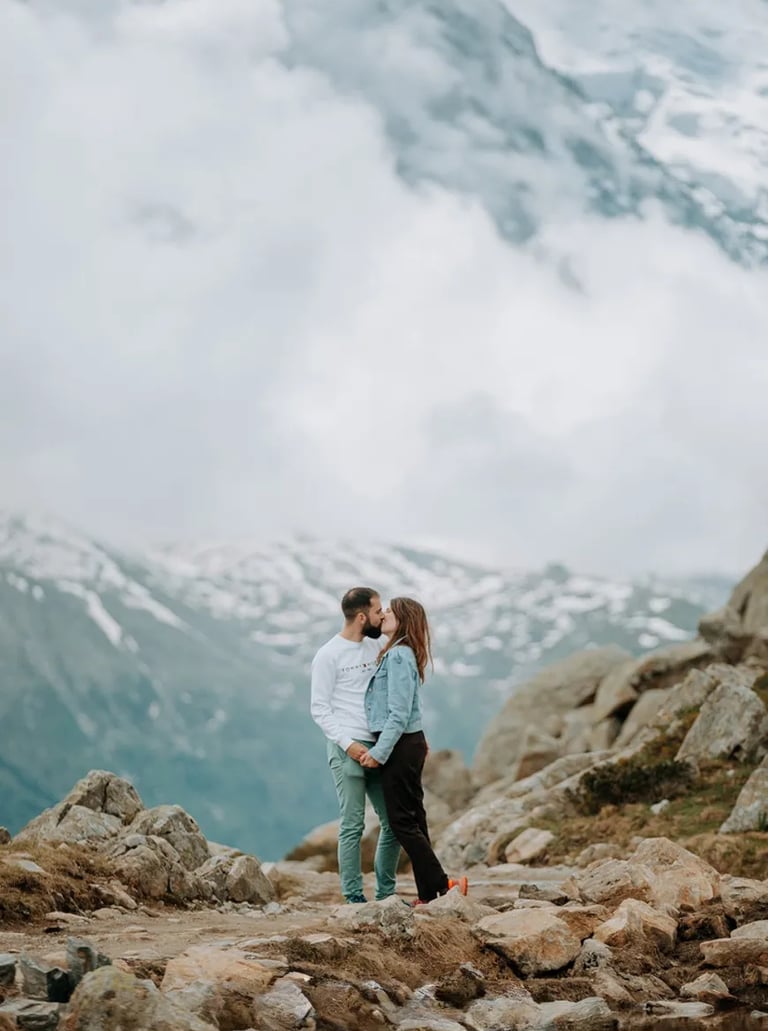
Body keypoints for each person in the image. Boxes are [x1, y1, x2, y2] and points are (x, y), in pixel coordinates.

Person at [360, 597, 468, 904]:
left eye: (389, 613)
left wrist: (379, 752)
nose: (383, 616)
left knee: (402, 822)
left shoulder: (397, 655)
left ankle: (445, 886)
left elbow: (398, 711)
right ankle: (430, 893)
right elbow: (411, 705)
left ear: (403, 619)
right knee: (414, 819)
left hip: (398, 744)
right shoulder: (401, 653)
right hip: (408, 741)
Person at [310, 586, 401, 904]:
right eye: (378, 611)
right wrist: (348, 745)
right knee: (352, 823)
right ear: (362, 616)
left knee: (392, 821)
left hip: (378, 747)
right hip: (346, 746)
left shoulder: (375, 647)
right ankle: (353, 899)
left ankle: (386, 893)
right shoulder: (328, 655)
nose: (382, 615)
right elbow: (319, 708)